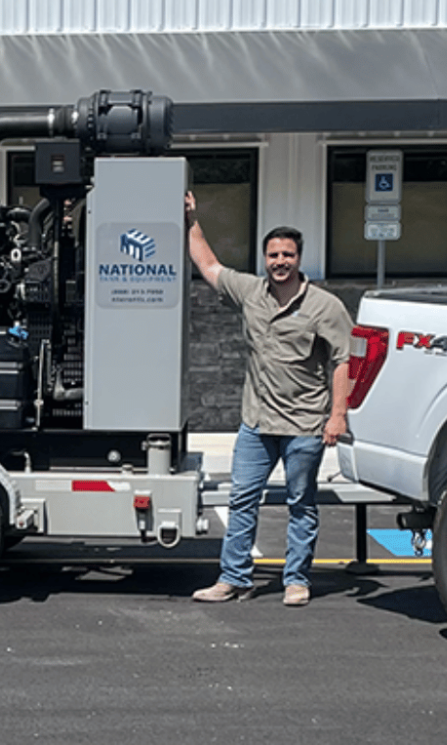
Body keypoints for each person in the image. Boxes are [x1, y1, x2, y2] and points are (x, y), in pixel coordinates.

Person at [185, 192, 352, 606]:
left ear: (299, 258)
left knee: (301, 504)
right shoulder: (250, 292)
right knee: (242, 501)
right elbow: (208, 265)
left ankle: (296, 580)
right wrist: (191, 219)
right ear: (265, 258)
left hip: (305, 425)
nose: (280, 261)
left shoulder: (323, 306)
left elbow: (344, 360)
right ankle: (233, 578)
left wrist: (337, 417)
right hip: (256, 423)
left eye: (288, 255)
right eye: (274, 255)